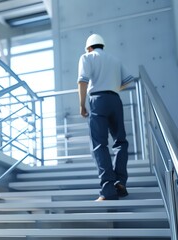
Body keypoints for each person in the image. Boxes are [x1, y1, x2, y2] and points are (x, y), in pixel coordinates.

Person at [77, 34, 135, 201]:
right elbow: (127, 81)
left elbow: (82, 81)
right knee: (120, 141)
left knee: (99, 145)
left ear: (89, 47)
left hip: (97, 101)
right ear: (102, 45)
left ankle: (108, 190)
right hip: (115, 100)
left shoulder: (87, 57)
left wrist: (82, 104)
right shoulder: (114, 59)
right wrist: (112, 86)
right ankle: (121, 181)